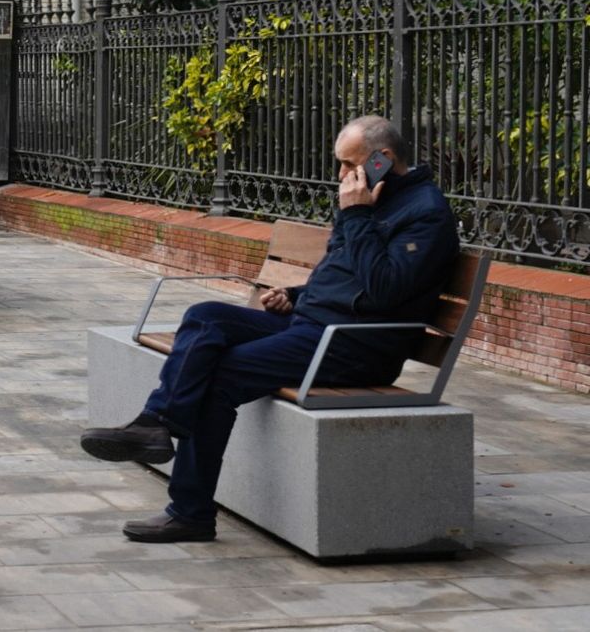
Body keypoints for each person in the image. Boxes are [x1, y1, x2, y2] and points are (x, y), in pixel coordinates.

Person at [80, 115, 460, 543]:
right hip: (313, 324)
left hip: (354, 345)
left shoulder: (425, 214)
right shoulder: (373, 196)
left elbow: (387, 289)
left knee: (220, 374)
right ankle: (156, 421)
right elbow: (342, 272)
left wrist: (355, 216)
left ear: (383, 159)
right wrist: (297, 294)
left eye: (347, 164)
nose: (340, 176)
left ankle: (190, 512)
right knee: (206, 316)